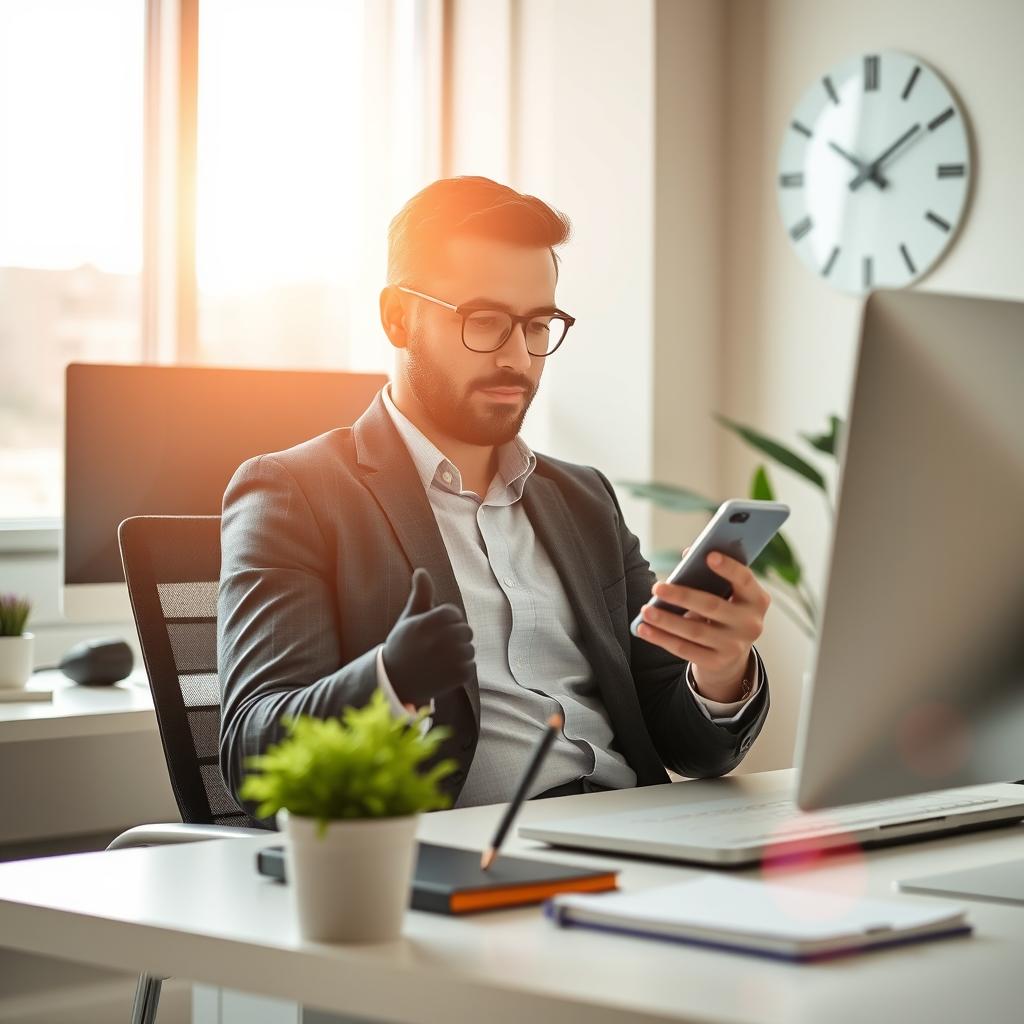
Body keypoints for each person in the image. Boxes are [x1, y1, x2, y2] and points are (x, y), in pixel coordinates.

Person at [218, 176, 771, 814]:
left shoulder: (583, 500)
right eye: (484, 322)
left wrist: (720, 669)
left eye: (538, 325)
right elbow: (250, 751)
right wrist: (388, 683)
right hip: (471, 857)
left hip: (639, 839)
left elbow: (687, 745)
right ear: (398, 317)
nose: (517, 356)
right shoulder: (296, 493)